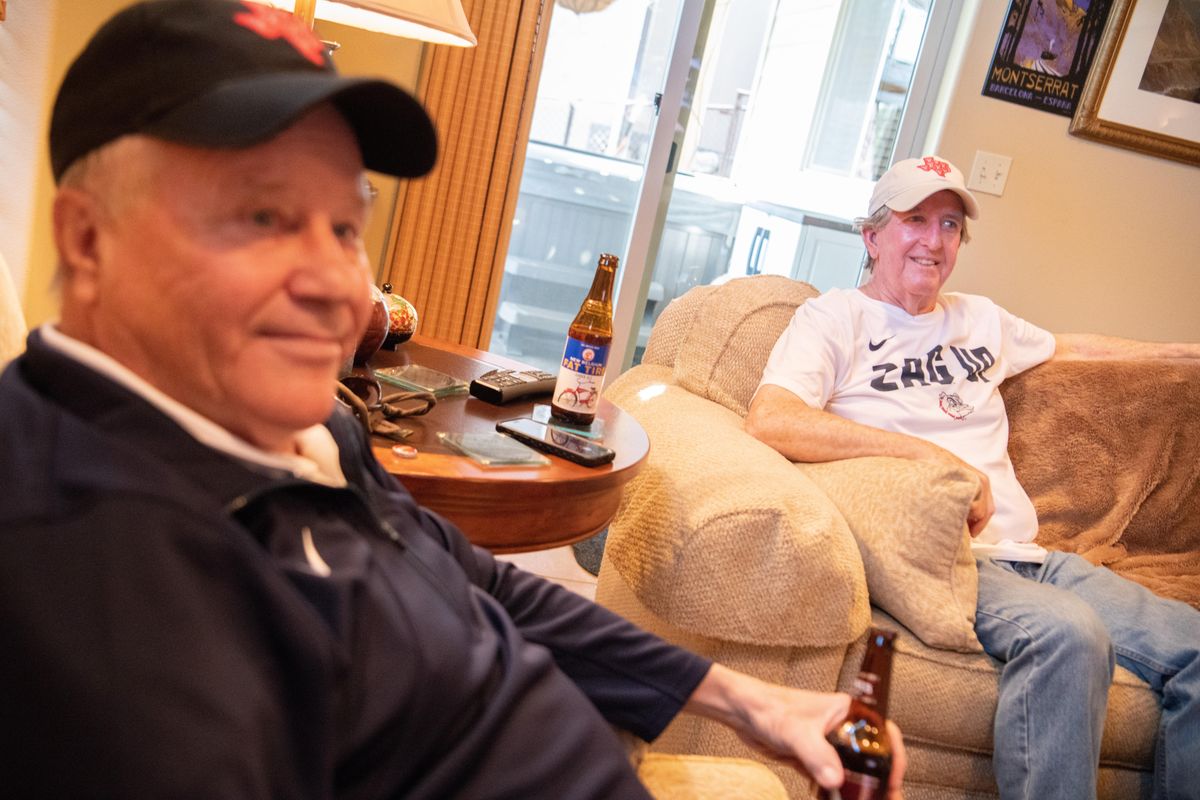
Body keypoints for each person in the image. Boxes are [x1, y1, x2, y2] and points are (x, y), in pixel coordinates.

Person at [0, 2, 907, 797]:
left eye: (347, 224)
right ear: (87, 241)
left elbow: (462, 572)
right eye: (263, 217)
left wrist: (750, 699)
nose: (339, 287)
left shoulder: (296, 424)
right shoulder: (89, 574)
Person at [745, 154, 1200, 800]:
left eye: (951, 225)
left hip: (1036, 558)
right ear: (872, 236)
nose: (934, 241)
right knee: (1070, 634)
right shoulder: (835, 320)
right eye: (916, 220)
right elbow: (772, 419)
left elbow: (1073, 349)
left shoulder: (980, 319)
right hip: (951, 560)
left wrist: (1183, 354)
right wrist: (931, 458)